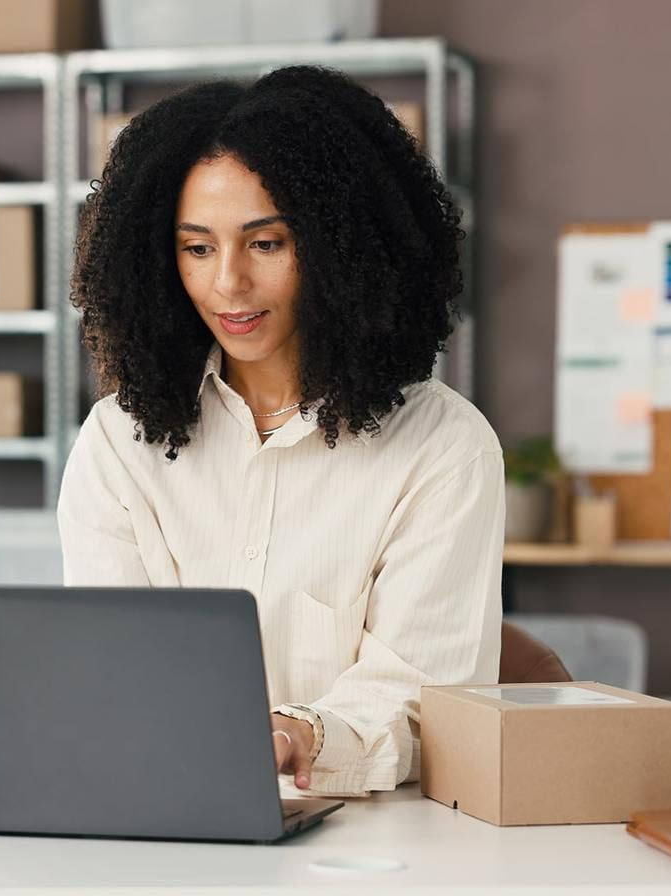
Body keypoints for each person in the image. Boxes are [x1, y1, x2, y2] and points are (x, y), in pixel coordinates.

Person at [58, 65, 504, 797]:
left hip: (370, 848)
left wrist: (304, 735)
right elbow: (108, 671)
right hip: (162, 820)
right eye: (197, 248)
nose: (228, 283)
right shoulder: (118, 442)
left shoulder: (443, 449)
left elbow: (426, 701)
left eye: (266, 244)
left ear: (343, 250)